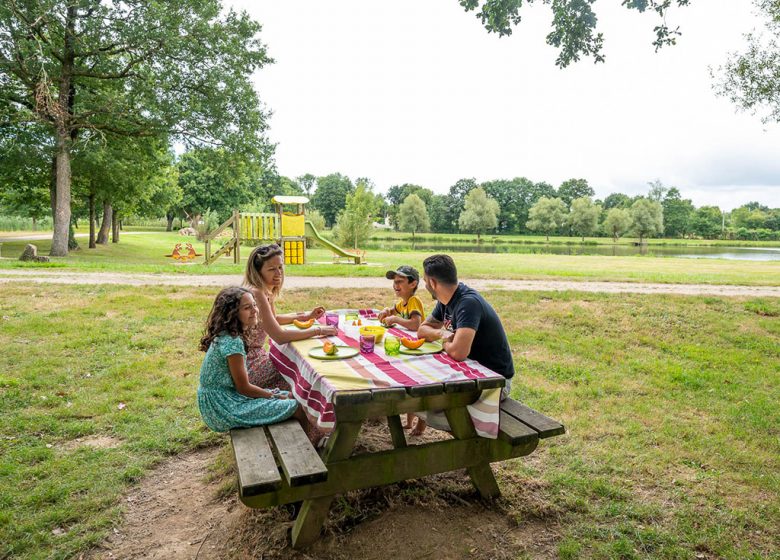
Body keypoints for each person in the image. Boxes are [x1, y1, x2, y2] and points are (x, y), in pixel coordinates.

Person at [417, 254, 514, 431]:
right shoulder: (446, 300)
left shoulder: (468, 303)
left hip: (494, 383)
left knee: (429, 405)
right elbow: (422, 330)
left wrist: (445, 343)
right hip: (471, 374)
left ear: (432, 283)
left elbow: (458, 353)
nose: (425, 285)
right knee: (421, 391)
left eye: (424, 281)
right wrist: (443, 334)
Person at [197, 286, 308, 433]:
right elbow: (243, 388)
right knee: (297, 406)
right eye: (247, 308)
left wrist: (275, 395)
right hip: (223, 407)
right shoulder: (233, 342)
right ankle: (306, 449)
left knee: (289, 395)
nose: (255, 310)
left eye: (254, 305)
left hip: (223, 399)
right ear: (232, 313)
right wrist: (273, 395)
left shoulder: (227, 333)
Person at [243, 244, 337, 391]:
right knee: (301, 377)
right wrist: (318, 331)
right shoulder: (257, 293)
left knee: (300, 367)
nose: (278, 273)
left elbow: (272, 319)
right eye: (271, 269)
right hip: (249, 364)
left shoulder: (265, 290)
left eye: (280, 267)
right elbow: (279, 336)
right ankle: (306, 411)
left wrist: (306, 317)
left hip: (255, 356)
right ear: (258, 271)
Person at [377, 265, 427, 434]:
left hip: (419, 347)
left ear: (413, 284)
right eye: (394, 282)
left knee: (419, 385)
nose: (395, 285)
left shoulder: (414, 301)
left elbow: (415, 324)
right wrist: (386, 311)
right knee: (409, 382)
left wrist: (396, 319)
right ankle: (409, 421)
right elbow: (393, 310)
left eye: (400, 282)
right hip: (408, 346)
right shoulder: (402, 302)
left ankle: (421, 423)